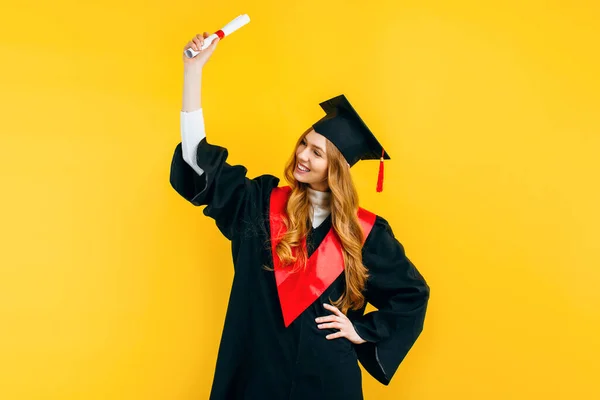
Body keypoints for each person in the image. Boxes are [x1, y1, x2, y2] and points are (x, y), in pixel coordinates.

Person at [170, 32, 430, 400]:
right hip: (254, 373)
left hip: (325, 379)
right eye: (304, 143)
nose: (303, 156)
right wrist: (192, 73)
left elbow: (411, 295)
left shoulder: (365, 233)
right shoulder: (259, 203)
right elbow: (198, 162)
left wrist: (362, 331)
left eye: (318, 153)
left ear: (337, 168)